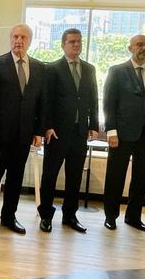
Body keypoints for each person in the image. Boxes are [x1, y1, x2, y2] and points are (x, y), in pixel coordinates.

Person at [0, 24, 45, 236]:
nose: (19, 41)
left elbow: (40, 102)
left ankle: (8, 217)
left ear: (30, 41)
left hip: (24, 135)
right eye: (15, 36)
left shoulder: (39, 68)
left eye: (23, 37)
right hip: (0, 135)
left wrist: (38, 131)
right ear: (10, 39)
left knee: (16, 178)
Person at [102, 34, 145, 232]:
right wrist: (111, 131)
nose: (143, 48)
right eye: (139, 45)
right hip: (121, 135)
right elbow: (109, 103)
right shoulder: (116, 71)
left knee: (141, 178)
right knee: (115, 177)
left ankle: (133, 217)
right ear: (130, 48)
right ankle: (111, 216)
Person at [37, 28, 99, 234]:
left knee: (75, 177)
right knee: (50, 175)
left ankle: (70, 215)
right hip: (56, 133)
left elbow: (93, 99)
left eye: (79, 41)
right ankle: (46, 216)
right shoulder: (52, 69)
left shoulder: (89, 69)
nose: (76, 44)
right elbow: (46, 100)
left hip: (80, 132)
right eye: (72, 41)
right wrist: (47, 127)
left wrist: (93, 125)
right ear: (63, 44)